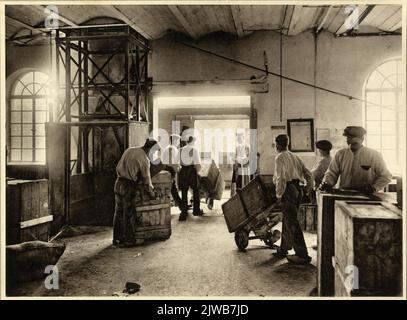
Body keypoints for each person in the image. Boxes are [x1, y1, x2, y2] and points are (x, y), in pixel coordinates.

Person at [273, 134, 313, 265]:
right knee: (288, 219)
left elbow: (281, 178)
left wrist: (279, 195)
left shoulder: (280, 157)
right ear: (288, 143)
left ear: (277, 145)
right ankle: (284, 248)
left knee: (292, 221)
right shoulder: (295, 156)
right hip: (298, 189)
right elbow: (308, 173)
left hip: (289, 190)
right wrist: (308, 188)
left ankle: (302, 254)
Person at [113, 139, 159, 246]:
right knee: (128, 213)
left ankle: (116, 238)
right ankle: (128, 240)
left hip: (118, 182)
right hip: (128, 185)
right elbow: (147, 181)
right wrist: (152, 195)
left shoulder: (130, 150)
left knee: (118, 211)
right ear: (150, 149)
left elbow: (118, 167)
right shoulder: (144, 159)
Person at [319, 126, 392, 194]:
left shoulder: (374, 155)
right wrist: (327, 183)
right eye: (349, 139)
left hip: (367, 197)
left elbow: (386, 176)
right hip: (344, 195)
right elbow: (332, 173)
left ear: (362, 139)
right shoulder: (340, 154)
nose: (351, 143)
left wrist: (373, 188)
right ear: (347, 140)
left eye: (355, 141)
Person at [178, 133, 204, 221]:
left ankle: (184, 213)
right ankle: (196, 210)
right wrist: (198, 172)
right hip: (191, 170)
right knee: (196, 191)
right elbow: (198, 164)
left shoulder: (180, 149)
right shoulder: (194, 149)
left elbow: (178, 162)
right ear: (193, 141)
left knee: (184, 192)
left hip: (183, 170)